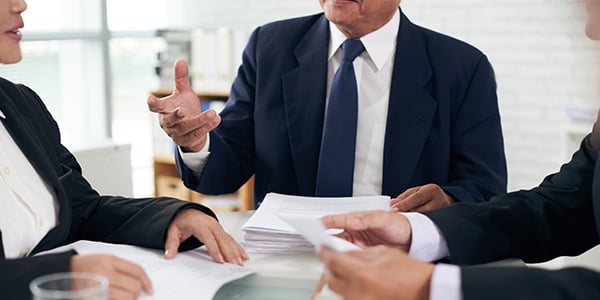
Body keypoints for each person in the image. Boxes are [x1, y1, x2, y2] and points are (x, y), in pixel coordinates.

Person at [316, 4, 600, 299]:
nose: (585, 18)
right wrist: (420, 231)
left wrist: (434, 284)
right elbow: (557, 209)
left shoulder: (463, 64)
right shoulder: (266, 44)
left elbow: (484, 183)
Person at [148, 0, 507, 211]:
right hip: (287, 259)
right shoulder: (269, 46)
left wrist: (446, 201)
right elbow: (226, 170)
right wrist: (196, 142)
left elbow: (485, 190)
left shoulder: (462, 67)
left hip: (401, 262)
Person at [0, 1, 248, 299]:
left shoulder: (22, 105)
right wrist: (59, 274)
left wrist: (174, 215)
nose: (21, 4)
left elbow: (82, 210)